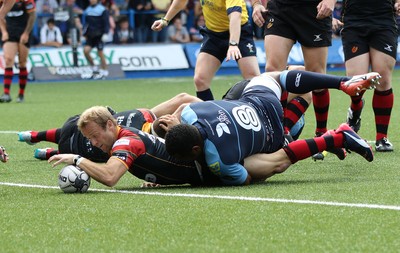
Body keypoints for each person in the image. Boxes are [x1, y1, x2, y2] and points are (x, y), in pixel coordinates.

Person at [161, 70, 380, 185]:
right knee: (275, 77)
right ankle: (342, 82)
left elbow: (245, 179)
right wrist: (175, 124)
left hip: (272, 139)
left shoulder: (219, 160)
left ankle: (335, 137)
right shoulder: (190, 113)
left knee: (264, 167)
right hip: (261, 102)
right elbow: (183, 105)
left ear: (195, 150)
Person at [47, 106, 223, 187]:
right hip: (202, 172)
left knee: (248, 174)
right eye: (88, 138)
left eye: (94, 136)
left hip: (211, 171)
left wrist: (77, 159)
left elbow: (110, 177)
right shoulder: (118, 139)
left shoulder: (126, 141)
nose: (92, 143)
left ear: (110, 125)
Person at [251, 0, 338, 160]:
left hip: (314, 10)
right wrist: (256, 4)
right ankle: (280, 133)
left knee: (317, 76)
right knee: (273, 71)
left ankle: (321, 134)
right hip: (280, 9)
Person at [18, 93, 202, 159]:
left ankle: (37, 137)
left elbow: (183, 99)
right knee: (79, 146)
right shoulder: (146, 138)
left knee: (69, 134)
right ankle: (48, 150)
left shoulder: (141, 116)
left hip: (79, 132)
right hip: (82, 148)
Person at [151, 0, 260, 101]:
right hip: (213, 35)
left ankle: (262, 113)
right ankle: (209, 116)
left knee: (253, 79)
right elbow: (180, 1)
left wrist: (233, 43)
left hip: (239, 33)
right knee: (200, 80)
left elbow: (235, 15)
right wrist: (165, 20)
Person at [341, 0, 399, 152]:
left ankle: (382, 138)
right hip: (354, 19)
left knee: (383, 78)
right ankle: (354, 114)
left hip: (384, 19)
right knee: (356, 83)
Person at [0, 0, 36, 103]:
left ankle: (21, 94)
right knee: (8, 60)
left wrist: (26, 33)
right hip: (10, 32)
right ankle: (6, 93)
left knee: (22, 62)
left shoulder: (26, 1)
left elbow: (32, 16)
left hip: (23, 32)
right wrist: (4, 31)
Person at [82, 0, 110, 80]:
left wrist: (105, 33)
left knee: (100, 52)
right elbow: (86, 24)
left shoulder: (102, 9)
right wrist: (84, 34)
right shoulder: (87, 10)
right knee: (86, 51)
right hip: (91, 35)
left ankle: (104, 70)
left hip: (99, 35)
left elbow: (106, 22)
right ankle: (94, 68)